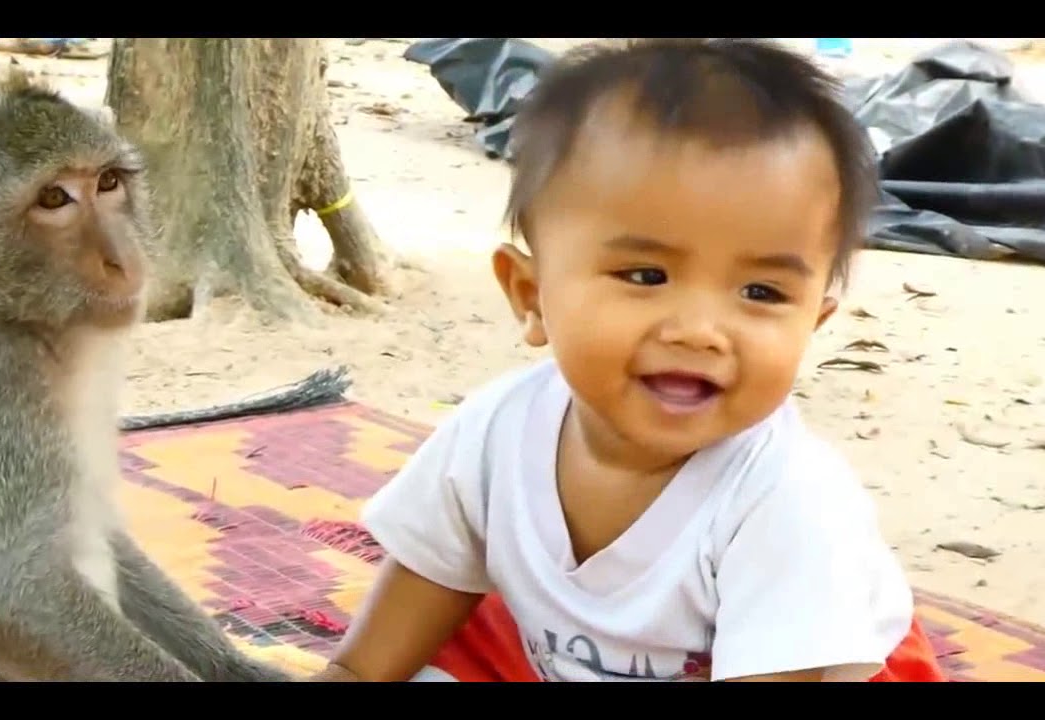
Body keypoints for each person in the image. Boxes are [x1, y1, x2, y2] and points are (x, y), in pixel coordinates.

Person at [310, 38, 946, 682]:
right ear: (531, 296)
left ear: (814, 321)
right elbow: (401, 620)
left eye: (762, 293)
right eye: (646, 275)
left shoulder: (789, 500)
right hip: (579, 653)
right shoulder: (494, 434)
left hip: (804, 666)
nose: (701, 331)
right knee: (458, 627)